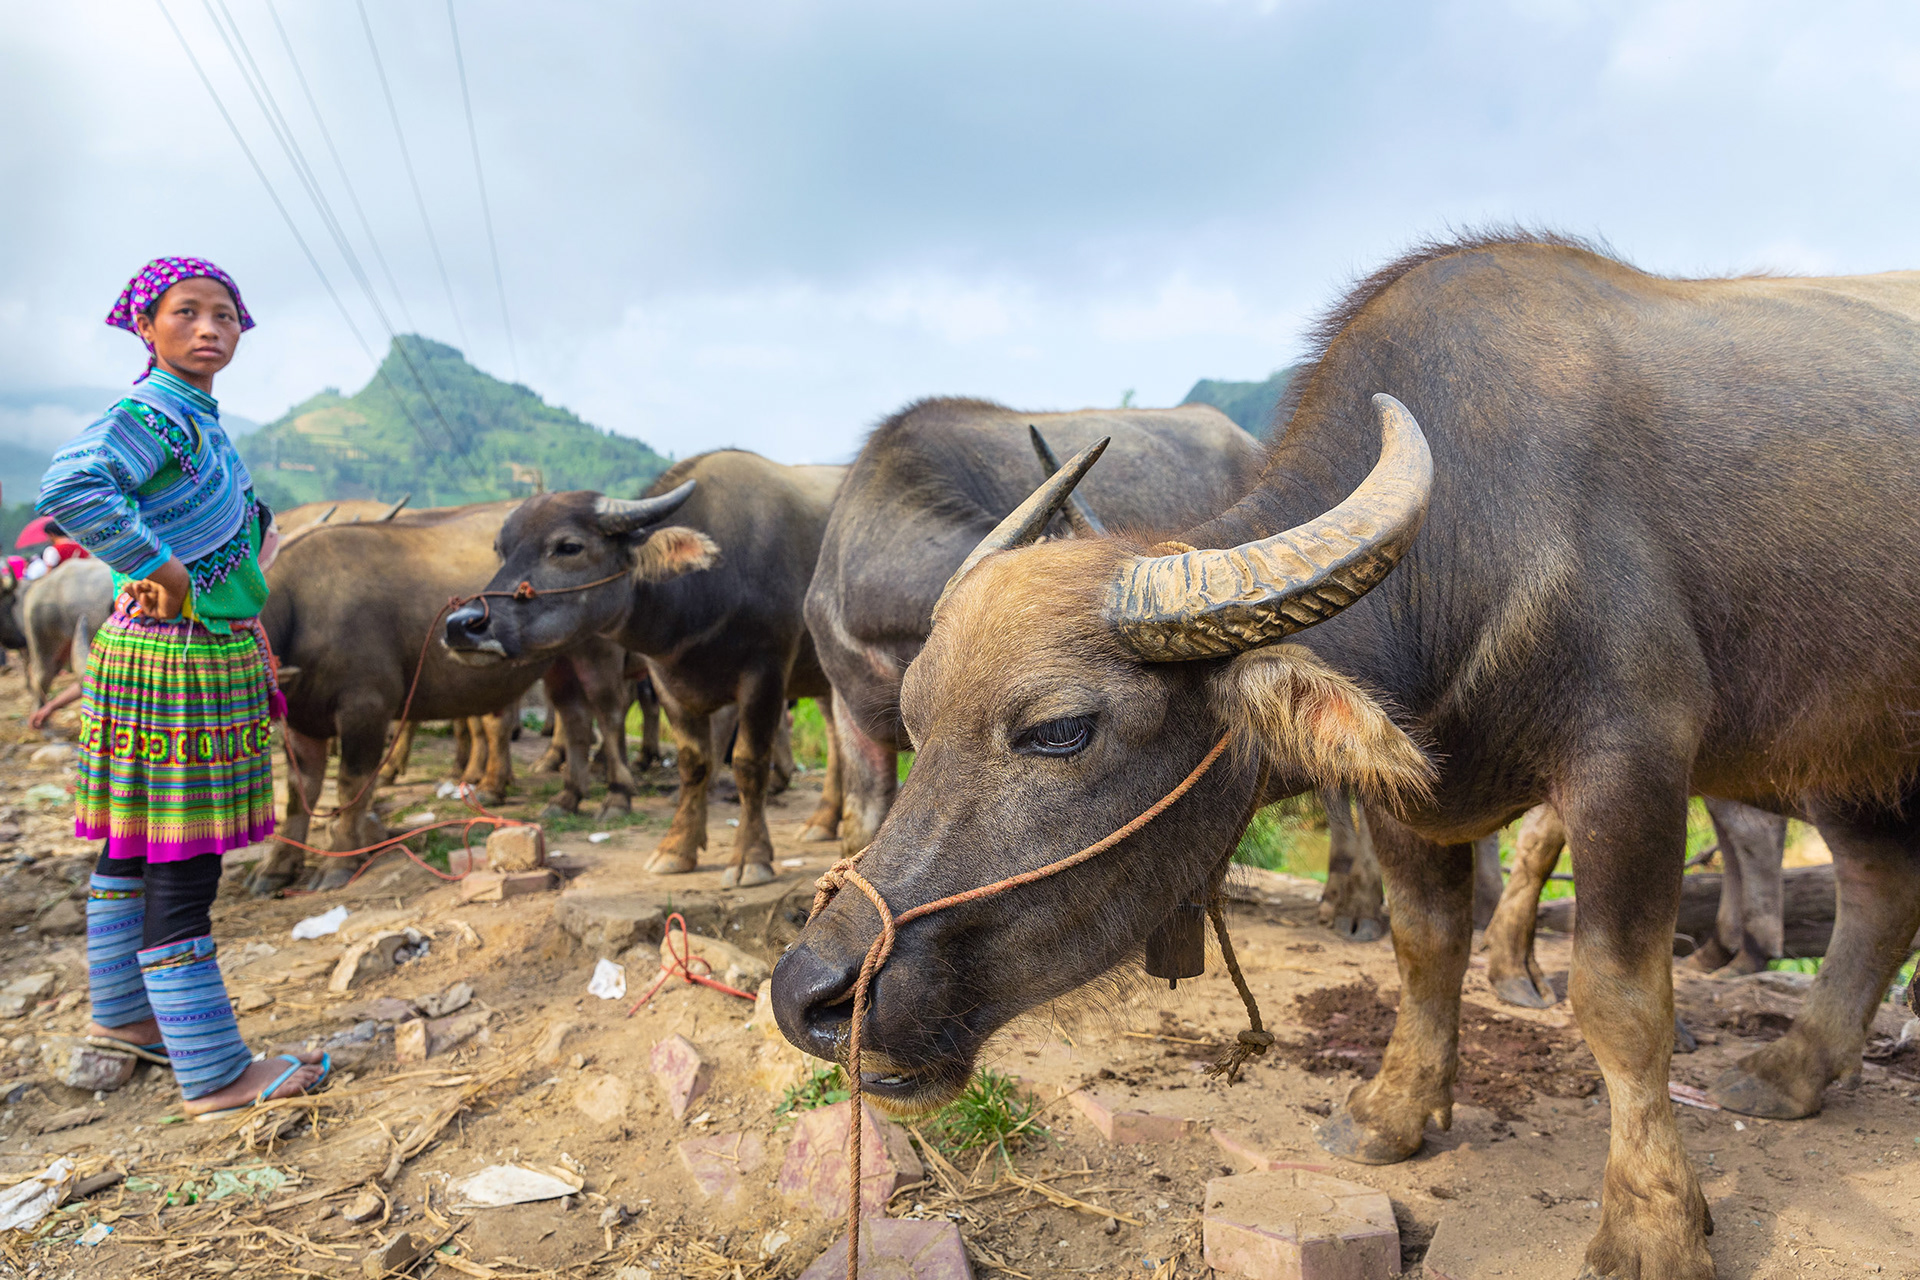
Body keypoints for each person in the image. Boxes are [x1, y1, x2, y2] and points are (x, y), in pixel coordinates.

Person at [35, 258, 323, 1119]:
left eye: (226, 316)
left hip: (154, 655)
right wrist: (157, 564)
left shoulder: (197, 419)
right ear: (146, 326)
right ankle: (213, 1072)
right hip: (181, 662)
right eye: (187, 313)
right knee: (184, 862)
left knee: (133, 843)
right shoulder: (154, 411)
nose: (210, 329)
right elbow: (71, 487)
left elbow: (205, 518)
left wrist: (239, 534)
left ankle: (125, 1018)